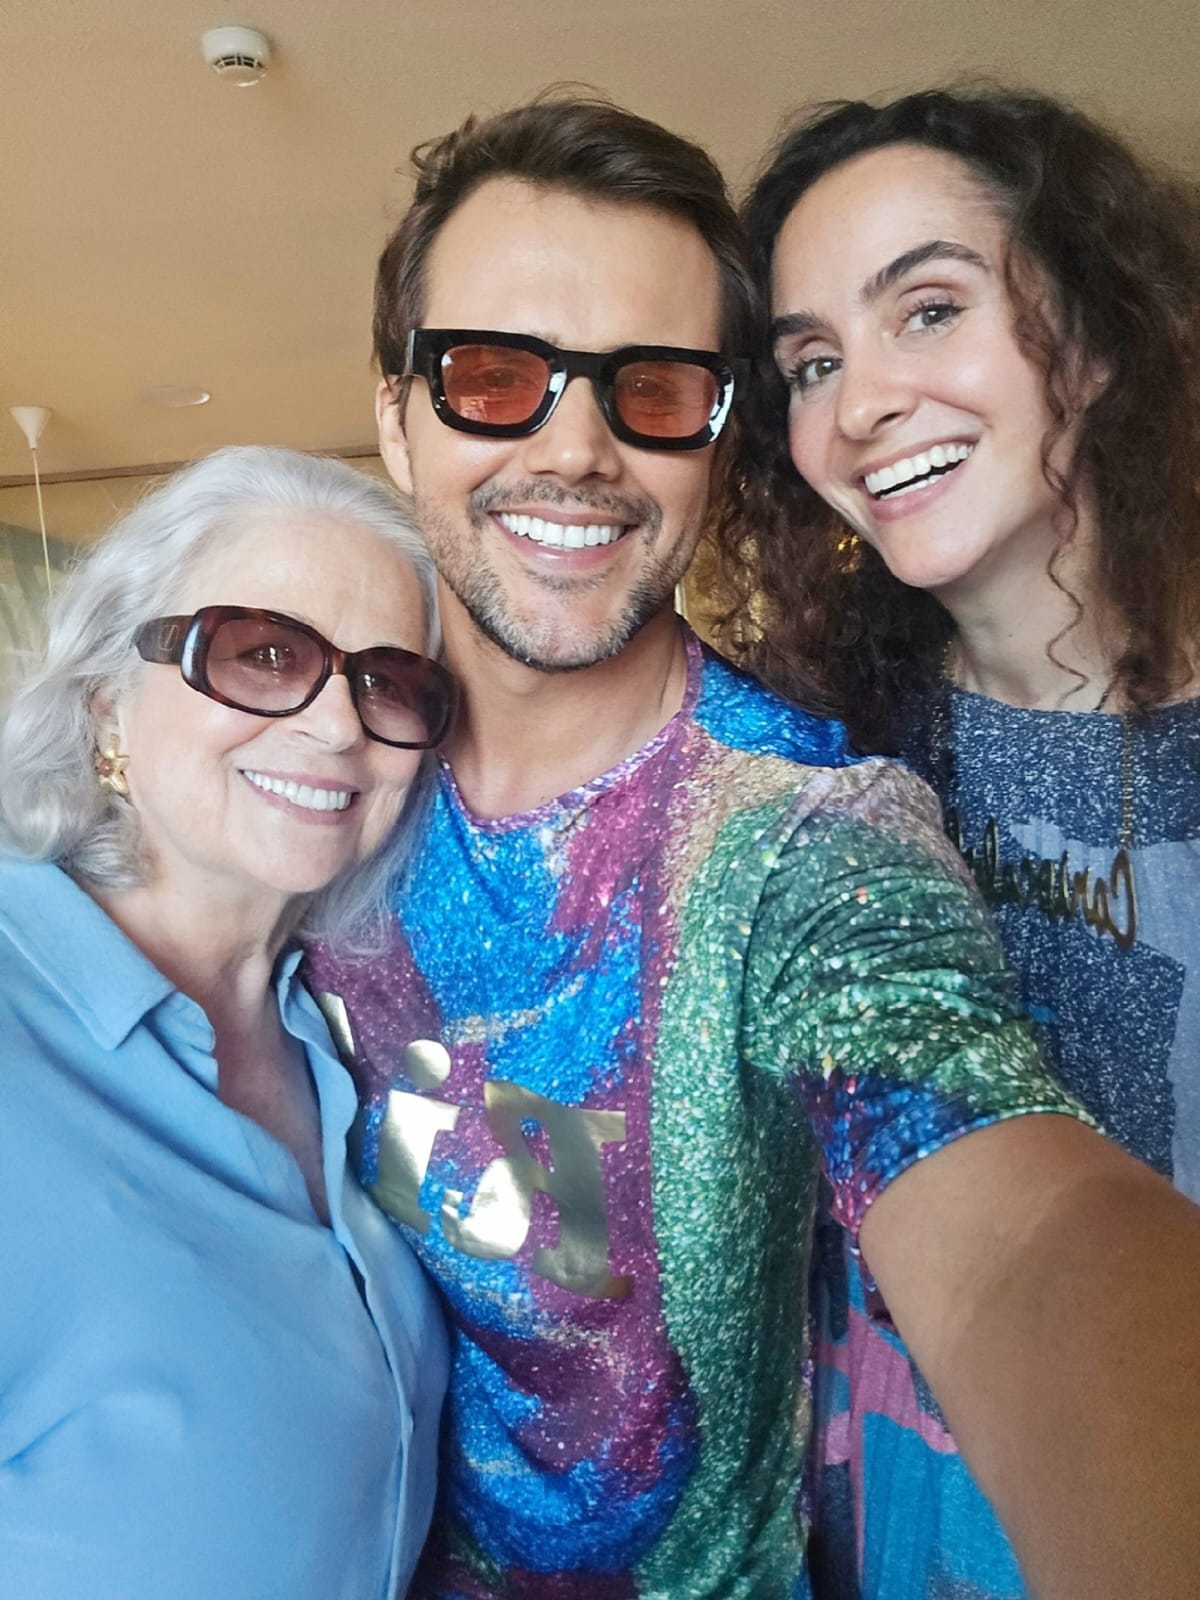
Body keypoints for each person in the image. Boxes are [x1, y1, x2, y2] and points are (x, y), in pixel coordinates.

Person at [303, 94, 1200, 1600]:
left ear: (718, 443)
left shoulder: (805, 836)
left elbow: (1014, 1216)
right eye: (494, 375)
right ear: (397, 417)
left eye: (653, 388)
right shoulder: (325, 770)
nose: (575, 447)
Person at [723, 86, 1200, 1599]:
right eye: (812, 363)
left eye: (928, 310)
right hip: (880, 1516)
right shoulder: (807, 766)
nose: (859, 405)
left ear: (1098, 335)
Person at [0, 446, 452, 1599]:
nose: (339, 726)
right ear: (107, 697)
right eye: (264, 654)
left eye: (388, 680)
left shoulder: (349, 1028)